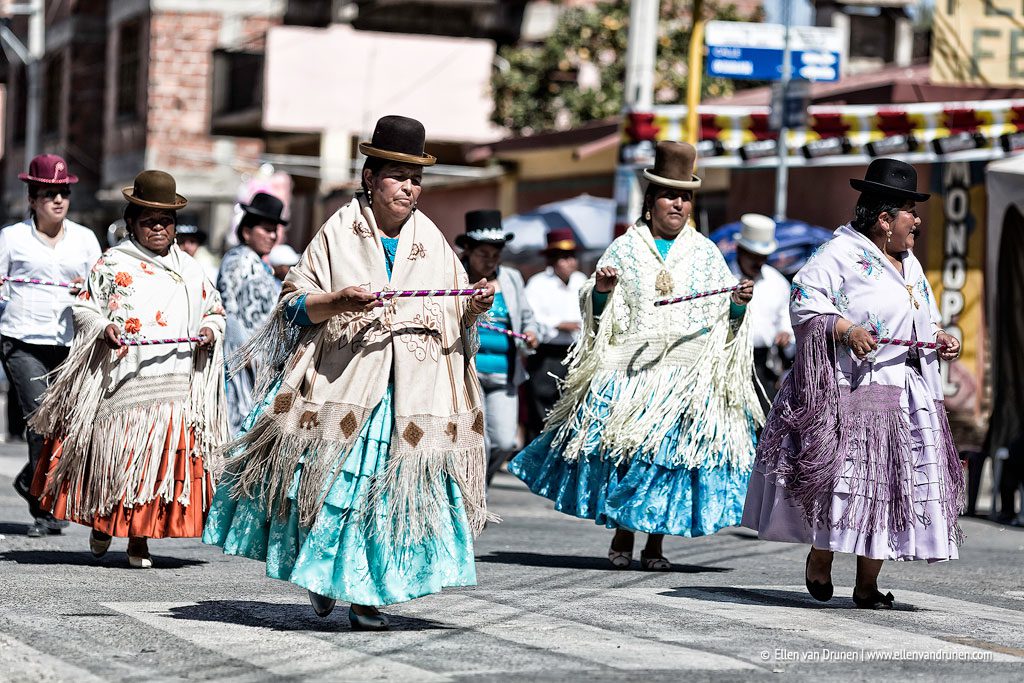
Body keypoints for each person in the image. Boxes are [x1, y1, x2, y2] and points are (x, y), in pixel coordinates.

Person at [204, 115, 495, 630]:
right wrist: (335, 301)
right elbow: (291, 305)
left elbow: (455, 320)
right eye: (397, 175)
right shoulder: (338, 231)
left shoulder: (432, 239)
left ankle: (364, 595)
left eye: (416, 178)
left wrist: (474, 305)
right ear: (369, 178)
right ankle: (322, 577)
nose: (409, 187)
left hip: (408, 396)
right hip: (345, 386)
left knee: (381, 498)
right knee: (337, 491)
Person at [509, 141, 759, 570]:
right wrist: (602, 292)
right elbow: (594, 309)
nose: (677, 203)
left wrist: (738, 302)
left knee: (669, 459)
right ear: (651, 202)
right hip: (632, 373)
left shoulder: (706, 253)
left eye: (684, 196)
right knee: (630, 455)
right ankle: (623, 536)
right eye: (669, 194)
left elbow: (726, 319)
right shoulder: (624, 248)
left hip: (685, 377)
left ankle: (655, 546)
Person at [742, 159, 964, 609]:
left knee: (890, 488)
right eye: (909, 211)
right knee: (847, 484)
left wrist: (940, 337)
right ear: (885, 219)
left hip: (904, 394)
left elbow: (922, 317)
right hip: (851, 392)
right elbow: (805, 302)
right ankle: (820, 558)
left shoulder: (910, 265)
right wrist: (845, 330)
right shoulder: (837, 255)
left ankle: (867, 585)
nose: (917, 220)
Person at [28, 170, 227, 568]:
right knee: (118, 464)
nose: (158, 227)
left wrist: (209, 329)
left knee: (156, 470)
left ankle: (140, 540)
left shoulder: (190, 269)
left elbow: (215, 310)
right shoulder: (112, 263)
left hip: (173, 386)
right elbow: (84, 307)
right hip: (123, 382)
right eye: (149, 220)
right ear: (132, 222)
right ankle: (103, 523)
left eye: (165, 220)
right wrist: (105, 327)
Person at [0, 154, 101, 537]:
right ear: (32, 199)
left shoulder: (85, 239)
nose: (58, 201)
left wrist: (89, 290)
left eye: (64, 193)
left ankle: (30, 479)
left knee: (67, 424)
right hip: (23, 339)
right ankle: (45, 509)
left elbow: (103, 286)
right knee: (40, 420)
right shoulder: (11, 238)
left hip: (70, 344)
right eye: (48, 194)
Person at [456, 210, 540, 484]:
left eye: (496, 254)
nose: (491, 261)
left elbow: (528, 318)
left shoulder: (511, 279)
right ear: (467, 250)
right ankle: (473, 492)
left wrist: (530, 333)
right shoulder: (454, 277)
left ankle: (481, 483)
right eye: (484, 254)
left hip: (505, 374)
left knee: (504, 442)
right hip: (467, 373)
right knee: (479, 440)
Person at [217, 192, 286, 434]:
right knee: (240, 423)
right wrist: (246, 354)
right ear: (247, 231)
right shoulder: (237, 260)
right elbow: (228, 312)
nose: (272, 235)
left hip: (264, 362)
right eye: (266, 229)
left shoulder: (261, 264)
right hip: (242, 361)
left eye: (274, 230)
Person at [523, 228, 587, 439]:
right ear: (551, 260)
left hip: (574, 353)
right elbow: (532, 317)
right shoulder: (538, 283)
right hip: (547, 354)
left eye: (571, 257)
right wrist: (559, 324)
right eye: (563, 258)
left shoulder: (581, 280)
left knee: (571, 406)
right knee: (543, 407)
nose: (569, 262)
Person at [730, 213, 794, 408]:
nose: (758, 262)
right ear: (740, 250)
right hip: (729, 363)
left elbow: (786, 320)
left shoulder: (777, 283)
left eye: (763, 257)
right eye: (753, 256)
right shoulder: (723, 278)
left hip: (763, 367)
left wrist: (786, 334)